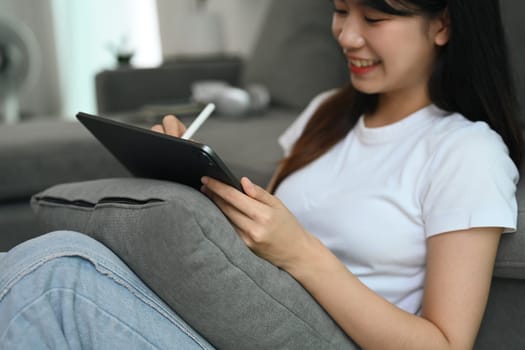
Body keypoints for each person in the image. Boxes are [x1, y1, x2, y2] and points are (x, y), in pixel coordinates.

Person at [1, 0, 523, 348]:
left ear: (443, 23)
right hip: (247, 320)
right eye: (341, 10)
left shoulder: (466, 151)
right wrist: (188, 176)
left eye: (375, 18)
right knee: (69, 257)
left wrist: (304, 254)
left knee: (58, 279)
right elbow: (261, 241)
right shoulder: (326, 112)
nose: (346, 34)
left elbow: (445, 344)